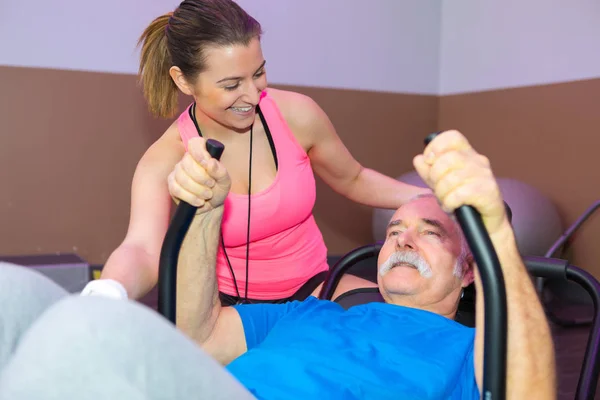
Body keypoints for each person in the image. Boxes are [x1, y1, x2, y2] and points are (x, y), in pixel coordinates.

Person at [0, 131, 555, 399]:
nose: (402, 241)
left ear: (469, 273)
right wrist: (207, 212)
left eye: (429, 234)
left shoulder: (470, 351)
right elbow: (198, 338)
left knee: (76, 331)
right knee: (12, 292)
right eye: (393, 231)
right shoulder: (314, 313)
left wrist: (496, 234)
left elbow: (529, 392)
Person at [80, 0, 428, 305]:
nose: (252, 94)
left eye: (258, 73)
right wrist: (108, 291)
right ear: (184, 82)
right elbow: (143, 248)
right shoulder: (165, 157)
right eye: (231, 85)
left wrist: (434, 197)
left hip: (313, 289)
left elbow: (354, 178)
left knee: (392, 331)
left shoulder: (297, 115)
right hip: (224, 308)